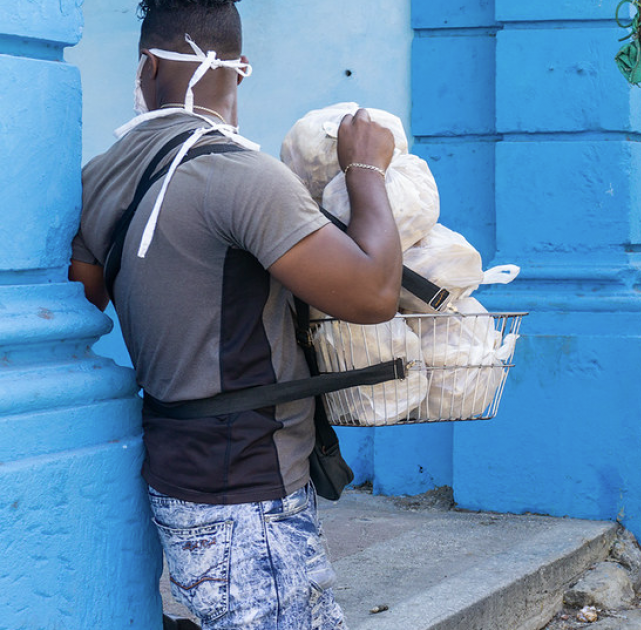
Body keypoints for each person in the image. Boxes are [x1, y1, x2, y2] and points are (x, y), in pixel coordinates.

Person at [69, 1, 403, 628]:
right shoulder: (243, 177)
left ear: (146, 66)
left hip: (177, 473)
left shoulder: (100, 176)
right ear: (240, 70)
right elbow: (372, 295)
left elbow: (89, 295)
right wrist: (365, 168)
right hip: (248, 496)